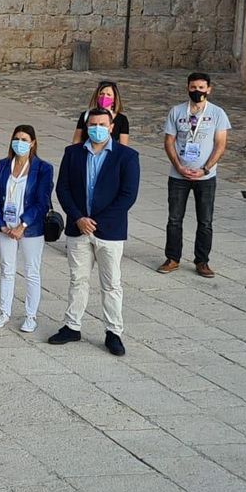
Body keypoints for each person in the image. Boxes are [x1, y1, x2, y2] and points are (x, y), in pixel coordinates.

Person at [50, 106, 141, 356]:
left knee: (111, 284)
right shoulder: (73, 153)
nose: (97, 129)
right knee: (78, 279)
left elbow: (128, 195)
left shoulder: (126, 156)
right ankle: (72, 325)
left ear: (111, 127)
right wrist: (78, 218)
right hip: (78, 228)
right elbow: (63, 188)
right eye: (93, 125)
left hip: (109, 231)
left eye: (102, 125)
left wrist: (96, 221)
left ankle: (113, 332)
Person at [161, 72, 230, 277]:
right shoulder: (177, 111)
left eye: (201, 88)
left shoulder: (217, 113)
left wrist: (205, 169)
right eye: (193, 87)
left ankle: (202, 261)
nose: (197, 91)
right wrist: (179, 166)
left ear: (209, 89)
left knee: (205, 221)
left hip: (206, 177)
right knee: (174, 219)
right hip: (178, 176)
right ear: (187, 88)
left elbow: (220, 144)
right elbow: (169, 141)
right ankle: (172, 258)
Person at [0, 125, 53, 331]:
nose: (19, 143)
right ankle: (4, 311)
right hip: (6, 227)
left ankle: (31, 315)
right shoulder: (3, 165)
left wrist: (23, 224)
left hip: (30, 228)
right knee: (7, 269)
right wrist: (1, 224)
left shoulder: (43, 168)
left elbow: (42, 201)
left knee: (31, 271)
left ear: (32, 143)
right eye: (16, 139)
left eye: (24, 140)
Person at [71, 80, 132, 146]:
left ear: (114, 99)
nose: (104, 97)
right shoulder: (85, 115)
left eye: (108, 95)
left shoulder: (122, 120)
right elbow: (76, 140)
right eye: (101, 94)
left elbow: (123, 145)